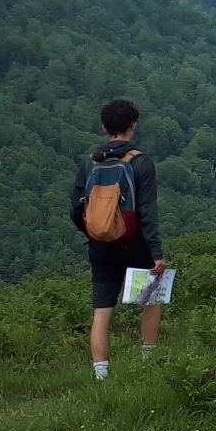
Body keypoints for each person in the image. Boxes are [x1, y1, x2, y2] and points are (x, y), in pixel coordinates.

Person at [73, 97, 165, 381]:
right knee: (150, 300)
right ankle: (148, 362)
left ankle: (101, 375)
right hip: (135, 243)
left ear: (104, 128)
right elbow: (147, 211)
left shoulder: (89, 163)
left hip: (100, 246)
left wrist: (94, 232)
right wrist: (157, 253)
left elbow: (76, 209)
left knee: (102, 311)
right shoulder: (141, 163)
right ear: (133, 126)